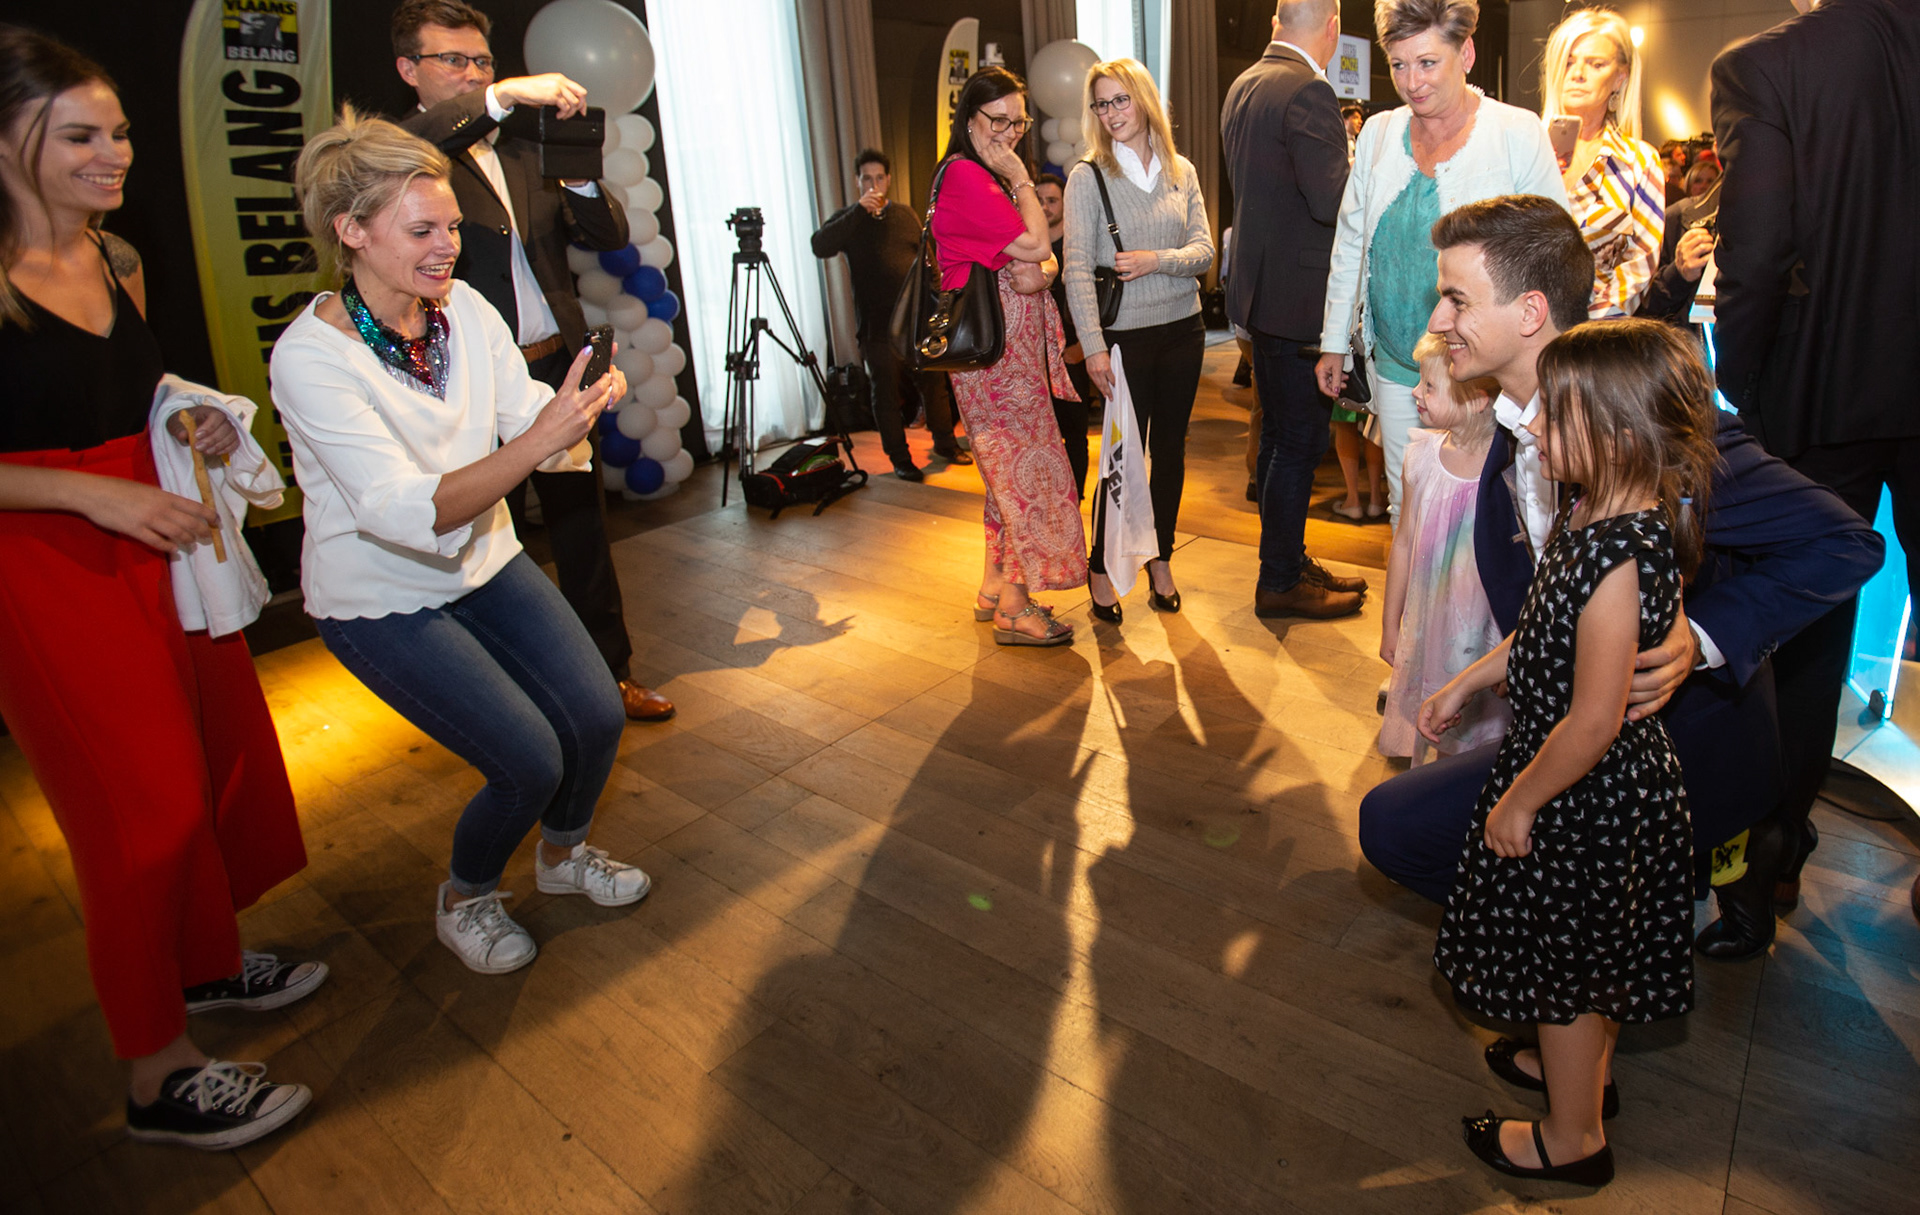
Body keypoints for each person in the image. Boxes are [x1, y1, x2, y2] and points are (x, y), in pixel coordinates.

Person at [1355, 196, 1883, 965]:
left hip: (1669, 745)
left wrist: (1702, 635)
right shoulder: (1509, 429)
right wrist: (1474, 675)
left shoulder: (1640, 421)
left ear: (1530, 310)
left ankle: (1583, 978)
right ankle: (1579, 965)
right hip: (1567, 734)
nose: (1436, 320)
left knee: (1416, 832)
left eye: (1457, 299)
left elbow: (1844, 543)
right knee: (1395, 823)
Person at [0, 26, 320, 1149]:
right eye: (79, 135)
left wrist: (179, 419)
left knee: (206, 764)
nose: (116, 152)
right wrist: (94, 498)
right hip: (44, 568)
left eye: (121, 130)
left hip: (161, 536)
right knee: (139, 817)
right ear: (4, 144)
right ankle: (154, 1074)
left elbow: (120, 393)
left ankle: (204, 965)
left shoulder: (112, 256)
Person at [275, 110, 645, 975]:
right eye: (422, 230)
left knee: (594, 713)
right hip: (381, 594)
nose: (449, 246)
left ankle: (562, 856)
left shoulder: (462, 308)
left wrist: (580, 409)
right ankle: (467, 895)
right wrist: (541, 437)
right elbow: (406, 512)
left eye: (450, 226)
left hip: (484, 557)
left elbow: (524, 414)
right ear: (353, 232)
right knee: (525, 755)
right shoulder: (312, 357)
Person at [1433, 319, 1718, 1187]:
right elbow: (1538, 634)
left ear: (1621, 434)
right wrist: (1470, 681)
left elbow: (1592, 720)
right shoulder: (1597, 513)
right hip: (1587, 785)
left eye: (1557, 418)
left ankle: (1571, 1137)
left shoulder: (1617, 559)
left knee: (1564, 969)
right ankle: (1581, 1081)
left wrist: (1519, 799)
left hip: (1582, 793)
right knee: (1594, 957)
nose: (1539, 430)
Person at [390, 0, 672, 724]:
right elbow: (411, 140)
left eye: (482, 61)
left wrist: (577, 175)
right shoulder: (404, 157)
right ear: (408, 71)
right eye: (452, 60)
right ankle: (511, 698)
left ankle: (611, 674)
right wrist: (503, 94)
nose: (472, 72)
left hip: (553, 368)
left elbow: (605, 233)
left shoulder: (520, 150)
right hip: (472, 384)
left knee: (582, 529)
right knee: (490, 541)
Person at [1710, 0, 1920, 938]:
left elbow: (1753, 255)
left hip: (1826, 389)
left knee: (1800, 633)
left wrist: (1739, 400)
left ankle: (1770, 864)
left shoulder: (1771, 66)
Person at [1315, 0, 1567, 523]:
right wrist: (1334, 343)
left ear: (1466, 52)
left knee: (1496, 512)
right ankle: (1418, 609)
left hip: (1488, 373)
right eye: (1399, 65)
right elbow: (1350, 244)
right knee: (1410, 507)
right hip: (1395, 362)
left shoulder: (1516, 133)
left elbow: (1554, 253)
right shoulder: (1380, 133)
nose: (1412, 81)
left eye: (1427, 63)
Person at [927, 68, 1087, 645]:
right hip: (998, 367)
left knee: (1005, 479)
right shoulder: (973, 177)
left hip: (1006, 362)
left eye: (1019, 121)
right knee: (1028, 479)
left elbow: (1038, 263)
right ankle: (1016, 609)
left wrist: (1039, 269)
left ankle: (995, 585)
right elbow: (1040, 246)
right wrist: (1023, 180)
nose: (1012, 133)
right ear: (969, 119)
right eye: (999, 121)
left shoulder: (979, 176)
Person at [1221, 0, 1369, 620]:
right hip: (1297, 301)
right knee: (1298, 444)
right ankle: (1280, 579)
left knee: (1284, 439)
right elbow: (1336, 201)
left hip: (1258, 295)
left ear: (1276, 21)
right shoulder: (1306, 88)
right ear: (1332, 28)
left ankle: (1286, 562)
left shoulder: (1244, 83)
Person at [1064, 58, 1214, 624]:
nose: (1111, 113)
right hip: (1123, 339)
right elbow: (1077, 269)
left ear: (1144, 100)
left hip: (1185, 329)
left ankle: (1161, 559)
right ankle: (1100, 568)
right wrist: (1095, 347)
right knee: (1122, 458)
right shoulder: (1089, 176)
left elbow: (1205, 252)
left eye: (1120, 100)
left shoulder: (1182, 170)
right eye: (1101, 104)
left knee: (1169, 453)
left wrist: (1157, 260)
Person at [1378, 333, 1504, 764]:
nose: (1415, 392)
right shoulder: (1422, 457)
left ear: (1477, 399)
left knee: (1478, 737)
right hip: (1429, 622)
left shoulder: (1505, 470)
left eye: (1429, 386)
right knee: (1435, 721)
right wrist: (1390, 623)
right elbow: (1404, 543)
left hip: (1483, 631)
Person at [810, 147, 970, 480]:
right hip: (876, 326)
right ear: (858, 182)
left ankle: (944, 442)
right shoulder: (849, 220)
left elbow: (929, 260)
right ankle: (899, 457)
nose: (874, 184)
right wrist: (857, 211)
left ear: (888, 179)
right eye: (866, 178)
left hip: (916, 320)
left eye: (879, 177)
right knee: (884, 393)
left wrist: (939, 303)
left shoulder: (905, 215)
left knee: (934, 383)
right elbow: (820, 245)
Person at [1540, 6, 1664, 318]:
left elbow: (1640, 266)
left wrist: (1587, 332)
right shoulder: (1524, 147)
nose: (1578, 74)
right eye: (1568, 62)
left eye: (1596, 64)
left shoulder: (1638, 162)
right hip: (1519, 331)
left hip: (1595, 342)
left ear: (1620, 78)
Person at [1034, 171, 1091, 497]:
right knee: (1041, 434)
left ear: (1066, 203)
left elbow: (1103, 303)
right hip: (1036, 359)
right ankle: (1049, 499)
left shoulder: (1079, 247)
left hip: (1072, 356)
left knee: (1074, 434)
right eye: (1038, 201)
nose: (1044, 207)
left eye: (1052, 200)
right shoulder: (1028, 248)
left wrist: (1082, 349)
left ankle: (1076, 497)